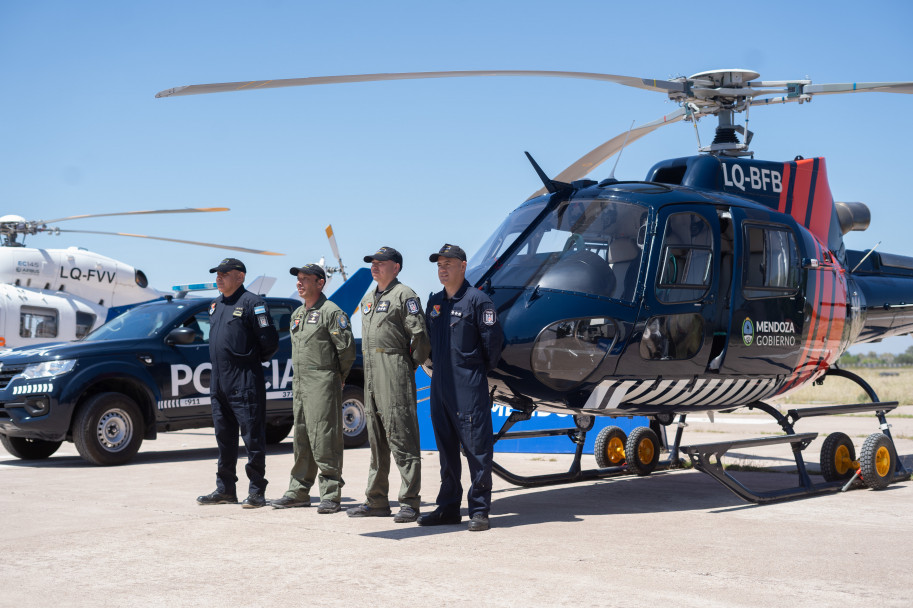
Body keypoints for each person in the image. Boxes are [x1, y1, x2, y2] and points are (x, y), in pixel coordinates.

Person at [420, 244, 503, 532]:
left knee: (477, 450)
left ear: (463, 266)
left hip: (468, 385)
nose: (442, 269)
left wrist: (472, 372)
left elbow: (492, 346)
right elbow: (429, 340)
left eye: (448, 263)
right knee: (446, 451)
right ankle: (448, 508)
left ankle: (479, 510)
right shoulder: (435, 303)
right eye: (439, 264)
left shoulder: (479, 301)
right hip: (440, 386)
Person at [346, 247, 430, 523]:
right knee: (376, 440)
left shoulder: (405, 294)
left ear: (396, 267)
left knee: (402, 436)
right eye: (372, 262)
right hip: (371, 371)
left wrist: (408, 365)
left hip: (393, 369)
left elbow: (419, 335)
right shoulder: (369, 298)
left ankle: (409, 501)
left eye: (381, 263)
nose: (375, 266)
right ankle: (377, 500)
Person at [271, 263, 355, 514]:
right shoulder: (297, 314)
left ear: (320, 283)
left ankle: (330, 493)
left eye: (305, 279)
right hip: (301, 383)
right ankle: (298, 491)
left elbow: (346, 350)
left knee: (324, 438)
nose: (299, 283)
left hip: (323, 380)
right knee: (302, 437)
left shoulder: (332, 312)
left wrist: (337, 376)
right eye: (298, 279)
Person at [197, 257, 279, 508]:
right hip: (219, 383)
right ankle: (225, 490)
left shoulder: (253, 303)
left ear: (240, 277)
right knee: (224, 438)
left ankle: (256, 491)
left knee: (252, 438)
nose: (218, 278)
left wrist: (249, 362)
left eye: (224, 273)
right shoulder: (216, 305)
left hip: (244, 380)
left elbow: (270, 342)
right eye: (217, 274)